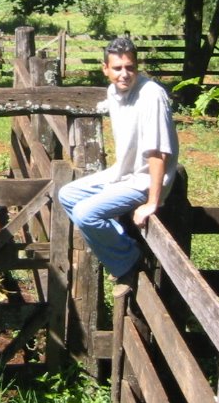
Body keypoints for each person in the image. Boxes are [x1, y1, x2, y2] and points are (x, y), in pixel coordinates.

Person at [57, 35, 178, 286]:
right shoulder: (114, 92)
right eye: (117, 68)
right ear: (105, 69)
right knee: (67, 194)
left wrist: (153, 202)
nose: (124, 74)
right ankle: (121, 241)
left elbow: (157, 153)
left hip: (145, 180)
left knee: (85, 213)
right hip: (123, 173)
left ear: (137, 67)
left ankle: (130, 262)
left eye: (130, 67)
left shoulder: (151, 95)